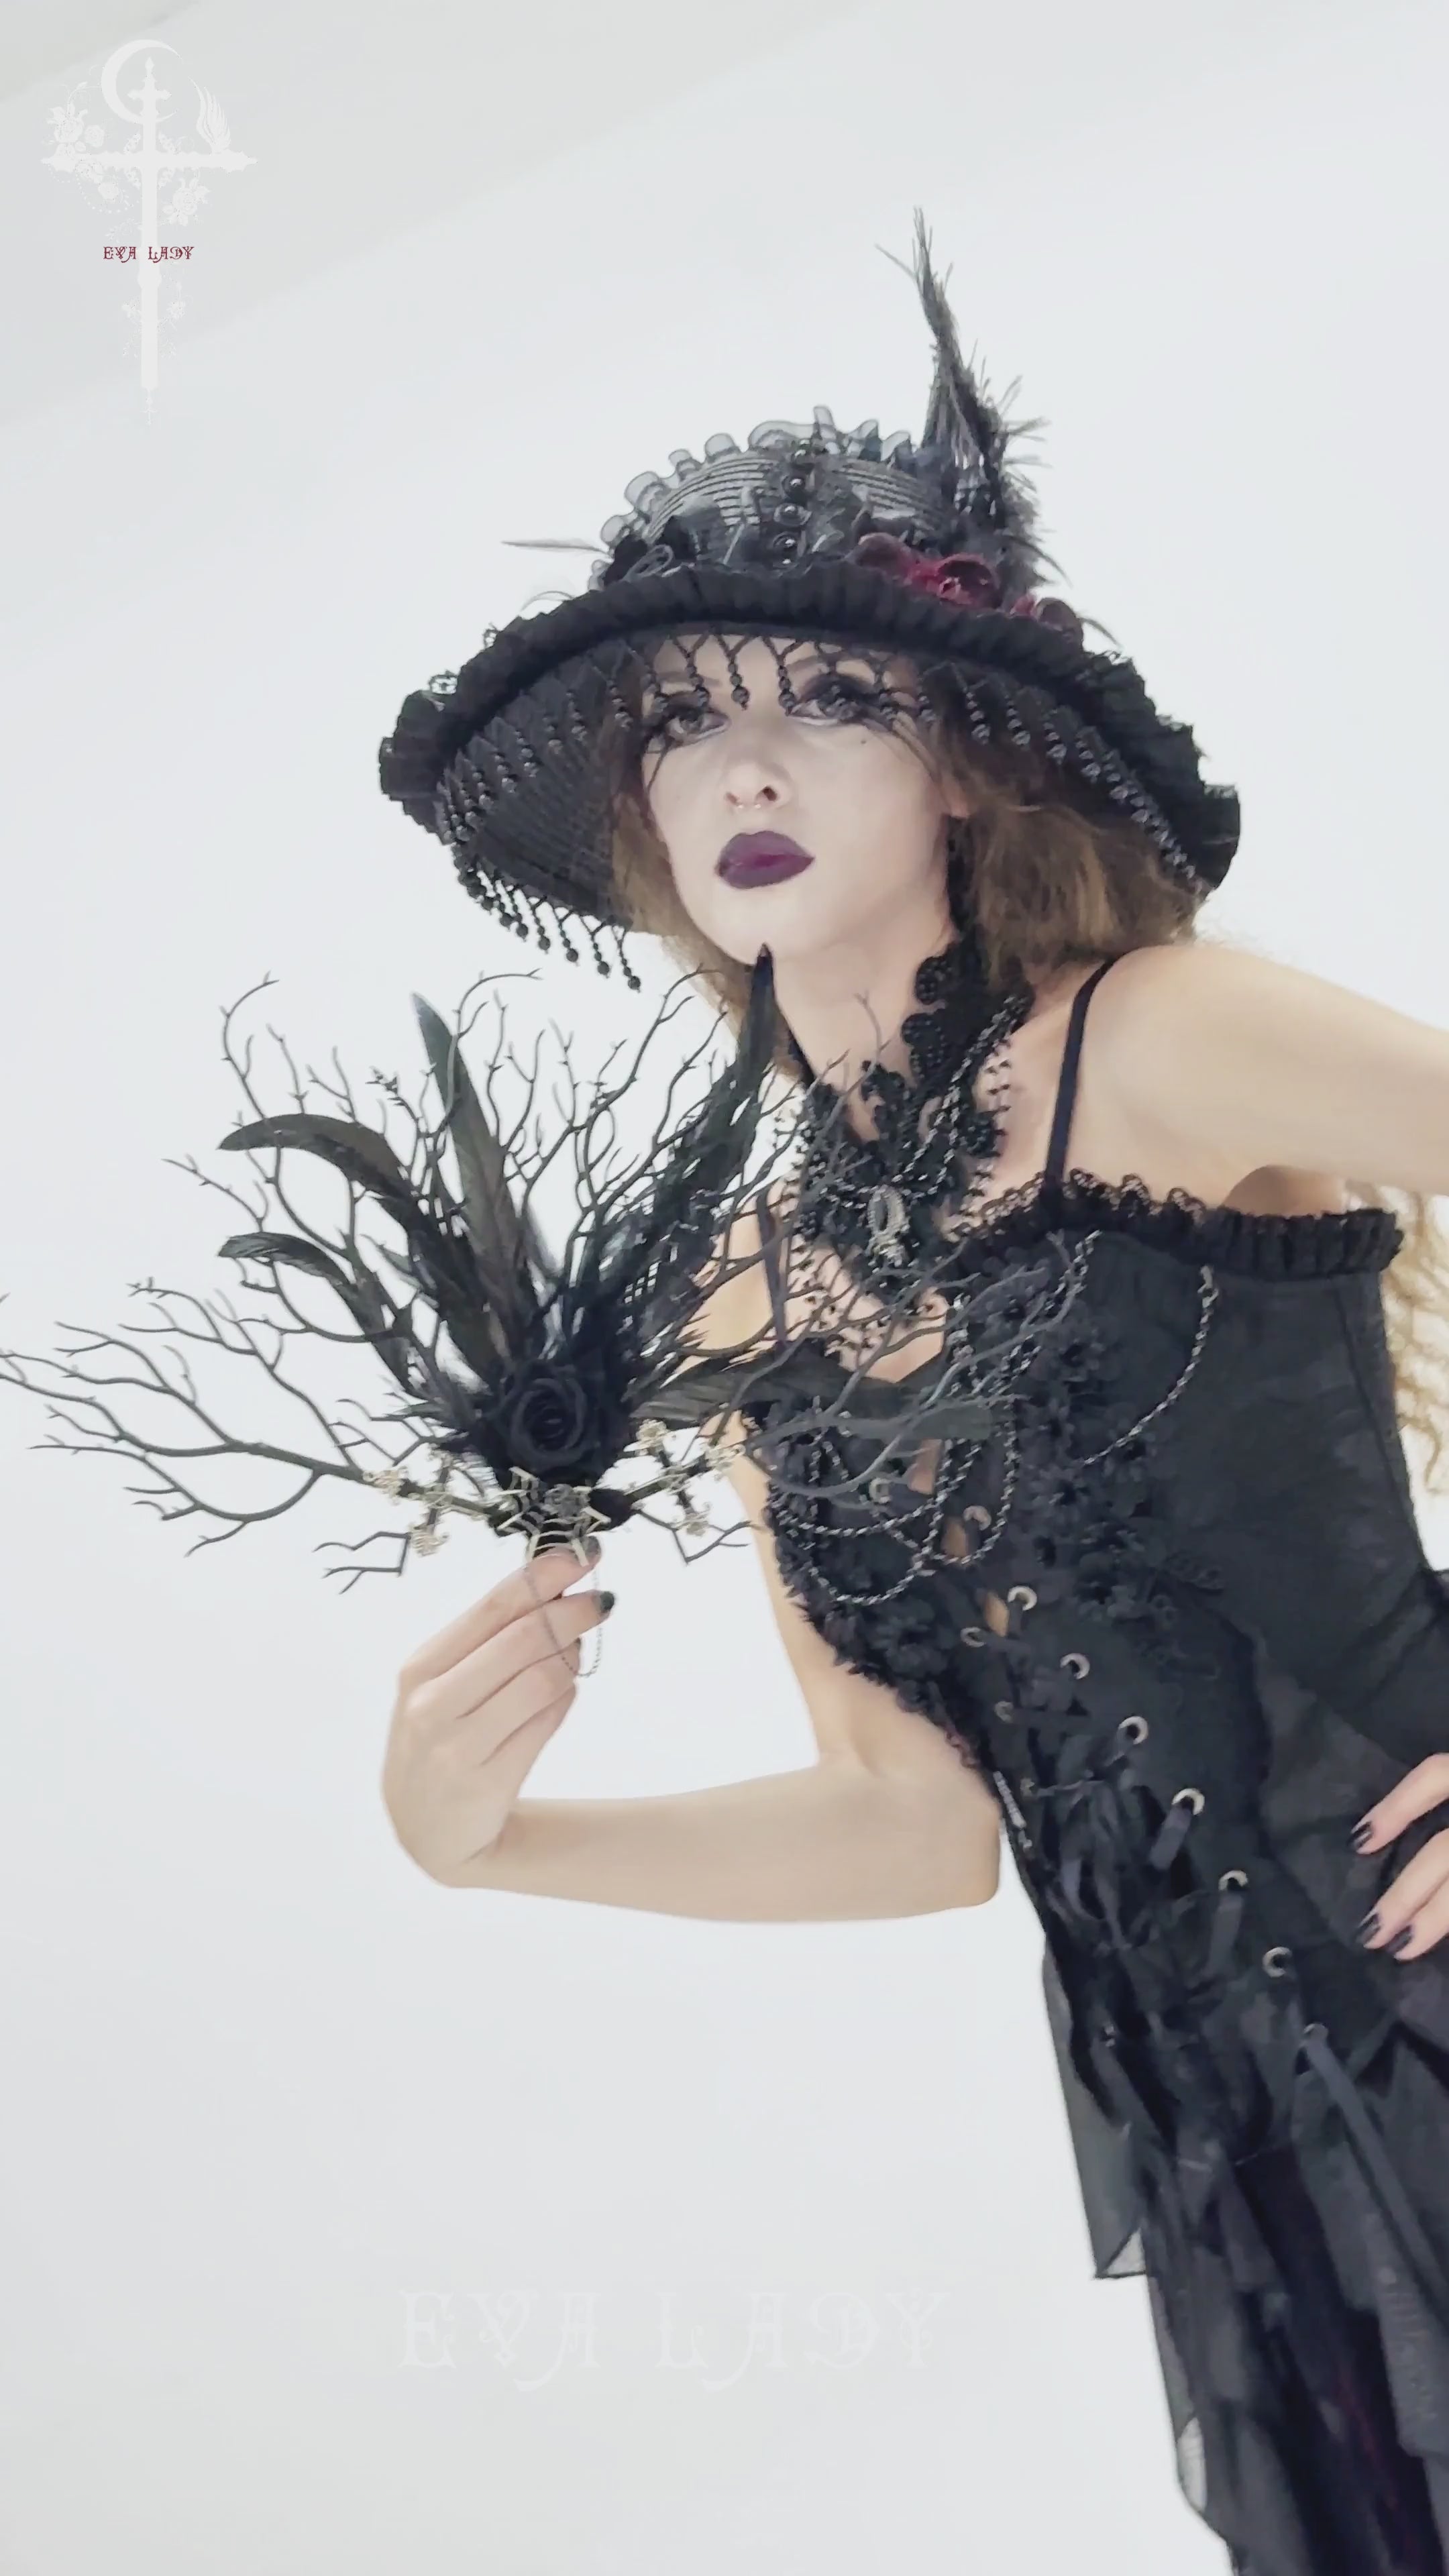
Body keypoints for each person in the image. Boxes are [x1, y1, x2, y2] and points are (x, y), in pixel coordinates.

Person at [376, 211, 1449, 2572]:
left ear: (963, 758)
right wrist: (497, 1847)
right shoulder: (745, 1298)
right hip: (1240, 2156)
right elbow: (917, 1819)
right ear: (644, 819)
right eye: (683, 724)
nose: (742, 763)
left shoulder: (1159, 1044)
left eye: (827, 699)